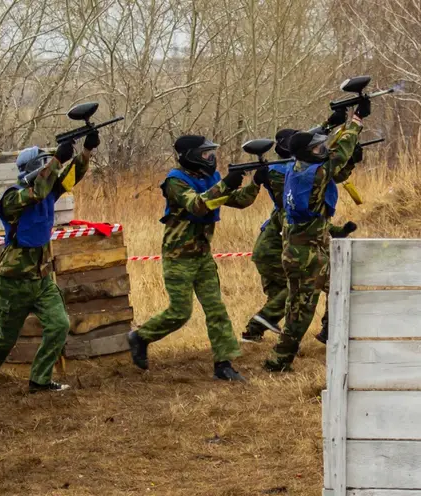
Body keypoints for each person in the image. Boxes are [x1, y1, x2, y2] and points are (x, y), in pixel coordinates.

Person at [0, 132, 99, 398]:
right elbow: (36, 192)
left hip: (40, 280)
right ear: (34, 169)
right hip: (13, 281)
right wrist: (56, 161)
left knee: (59, 324)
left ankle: (39, 380)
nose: (50, 167)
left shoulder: (48, 192)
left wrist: (85, 152)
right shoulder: (11, 199)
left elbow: (70, 178)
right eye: (45, 164)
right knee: (6, 335)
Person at [126, 135, 261, 381]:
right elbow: (197, 205)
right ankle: (141, 336)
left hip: (202, 256)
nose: (211, 158)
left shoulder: (211, 178)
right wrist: (227, 183)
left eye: (211, 153)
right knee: (180, 312)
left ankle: (224, 365)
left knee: (216, 309)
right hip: (178, 257)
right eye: (205, 154)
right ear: (189, 156)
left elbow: (241, 201)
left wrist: (256, 182)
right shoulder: (175, 182)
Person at [264, 101, 369, 372]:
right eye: (316, 149)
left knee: (341, 287)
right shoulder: (314, 172)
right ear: (306, 154)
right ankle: (279, 360)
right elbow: (338, 154)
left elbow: (321, 149)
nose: (321, 150)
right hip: (303, 255)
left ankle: (331, 333)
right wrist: (355, 121)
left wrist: (330, 124)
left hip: (314, 247)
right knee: (300, 312)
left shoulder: (296, 166)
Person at [243, 121, 361, 343]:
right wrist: (350, 133)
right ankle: (262, 328)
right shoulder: (286, 172)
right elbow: (325, 173)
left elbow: (331, 174)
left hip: (294, 245)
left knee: (308, 289)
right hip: (277, 248)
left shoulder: (293, 169)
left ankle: (324, 329)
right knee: (301, 290)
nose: (319, 149)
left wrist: (348, 156)